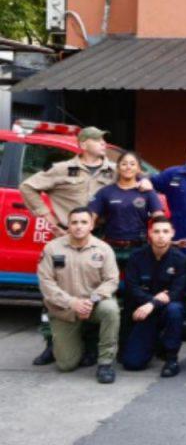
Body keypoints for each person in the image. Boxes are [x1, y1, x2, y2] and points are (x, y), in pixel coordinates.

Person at [21, 126, 116, 366]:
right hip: (65, 234)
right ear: (83, 144)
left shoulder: (113, 171)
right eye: (98, 140)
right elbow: (27, 187)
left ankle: (90, 346)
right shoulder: (62, 169)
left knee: (96, 289)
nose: (103, 143)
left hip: (101, 237)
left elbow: (135, 183)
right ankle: (51, 344)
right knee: (55, 289)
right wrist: (49, 219)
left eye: (104, 140)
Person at [36, 207, 120, 383]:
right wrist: (72, 303)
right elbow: (46, 283)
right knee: (66, 365)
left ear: (91, 225)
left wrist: (92, 300)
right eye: (74, 222)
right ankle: (83, 340)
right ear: (68, 225)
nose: (79, 226)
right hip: (65, 310)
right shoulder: (52, 248)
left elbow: (112, 280)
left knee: (111, 309)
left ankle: (105, 363)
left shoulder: (103, 249)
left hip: (94, 305)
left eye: (83, 222)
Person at [121, 216, 186, 377]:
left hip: (166, 309)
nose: (161, 236)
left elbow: (177, 292)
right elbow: (132, 288)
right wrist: (152, 301)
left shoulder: (180, 260)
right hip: (143, 312)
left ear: (172, 233)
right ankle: (154, 344)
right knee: (132, 363)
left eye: (165, 231)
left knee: (175, 309)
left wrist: (152, 303)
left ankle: (171, 358)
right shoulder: (137, 257)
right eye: (156, 231)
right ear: (150, 234)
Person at [89, 151, 164, 264]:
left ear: (138, 169)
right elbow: (90, 217)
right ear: (118, 168)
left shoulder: (147, 192)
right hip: (110, 248)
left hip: (139, 248)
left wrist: (163, 237)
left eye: (132, 164)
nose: (128, 167)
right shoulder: (105, 192)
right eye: (124, 164)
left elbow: (159, 217)